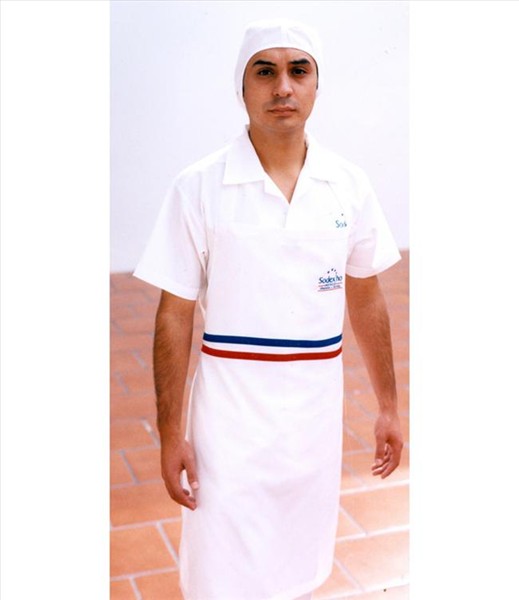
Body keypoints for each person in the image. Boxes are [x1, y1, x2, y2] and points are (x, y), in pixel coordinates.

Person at [134, 18, 403, 600]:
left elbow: (366, 294)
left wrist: (388, 405)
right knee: (220, 573)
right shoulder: (198, 187)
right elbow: (174, 314)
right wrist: (170, 433)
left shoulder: (349, 186)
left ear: (315, 86)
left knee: (299, 569)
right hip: (227, 428)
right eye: (265, 71)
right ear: (243, 86)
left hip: (313, 424)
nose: (283, 86)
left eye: (298, 70)